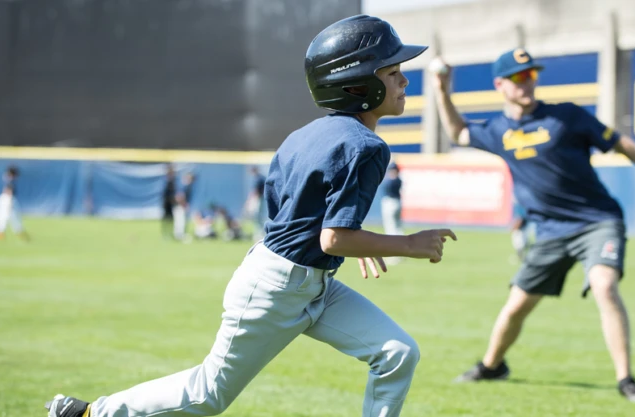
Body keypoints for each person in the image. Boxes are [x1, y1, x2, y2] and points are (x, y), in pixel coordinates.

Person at [45, 15, 456, 417]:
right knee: (208, 394)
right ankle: (88, 414)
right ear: (357, 84)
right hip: (275, 291)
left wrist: (355, 238)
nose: (403, 81)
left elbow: (307, 220)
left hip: (304, 282)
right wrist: (409, 244)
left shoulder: (305, 135)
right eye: (392, 72)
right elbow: (333, 238)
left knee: (397, 353)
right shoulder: (366, 146)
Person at [430, 48, 635, 402]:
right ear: (500, 85)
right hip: (550, 231)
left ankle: (625, 379)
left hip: (597, 221)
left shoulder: (566, 116)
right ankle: (492, 365)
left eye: (531, 75)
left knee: (604, 286)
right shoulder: (498, 131)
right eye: (519, 77)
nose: (527, 82)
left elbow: (621, 145)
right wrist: (442, 91)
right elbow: (458, 132)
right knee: (516, 306)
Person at [0, 165, 30, 241]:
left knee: (5, 217)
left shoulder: (5, 178)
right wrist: (9, 203)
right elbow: (8, 191)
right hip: (7, 199)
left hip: (4, 199)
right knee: (7, 217)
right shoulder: (10, 180)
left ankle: (2, 235)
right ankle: (1, 236)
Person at [244, 166, 267, 241]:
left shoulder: (259, 178)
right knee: (257, 216)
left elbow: (255, 191)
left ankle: (260, 233)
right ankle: (259, 232)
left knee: (257, 216)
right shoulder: (260, 177)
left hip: (258, 199)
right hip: (260, 198)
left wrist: (249, 201)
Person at [173, 172, 196, 241]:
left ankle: (179, 235)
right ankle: (179, 236)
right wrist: (183, 204)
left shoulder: (188, 186)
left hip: (182, 206)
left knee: (182, 222)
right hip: (180, 206)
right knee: (180, 222)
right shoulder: (183, 186)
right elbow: (179, 197)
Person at [161, 164, 176, 239]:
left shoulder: (173, 181)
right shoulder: (166, 181)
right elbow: (165, 194)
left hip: (171, 204)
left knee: (172, 219)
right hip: (167, 203)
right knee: (166, 219)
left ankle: (170, 233)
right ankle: (165, 233)